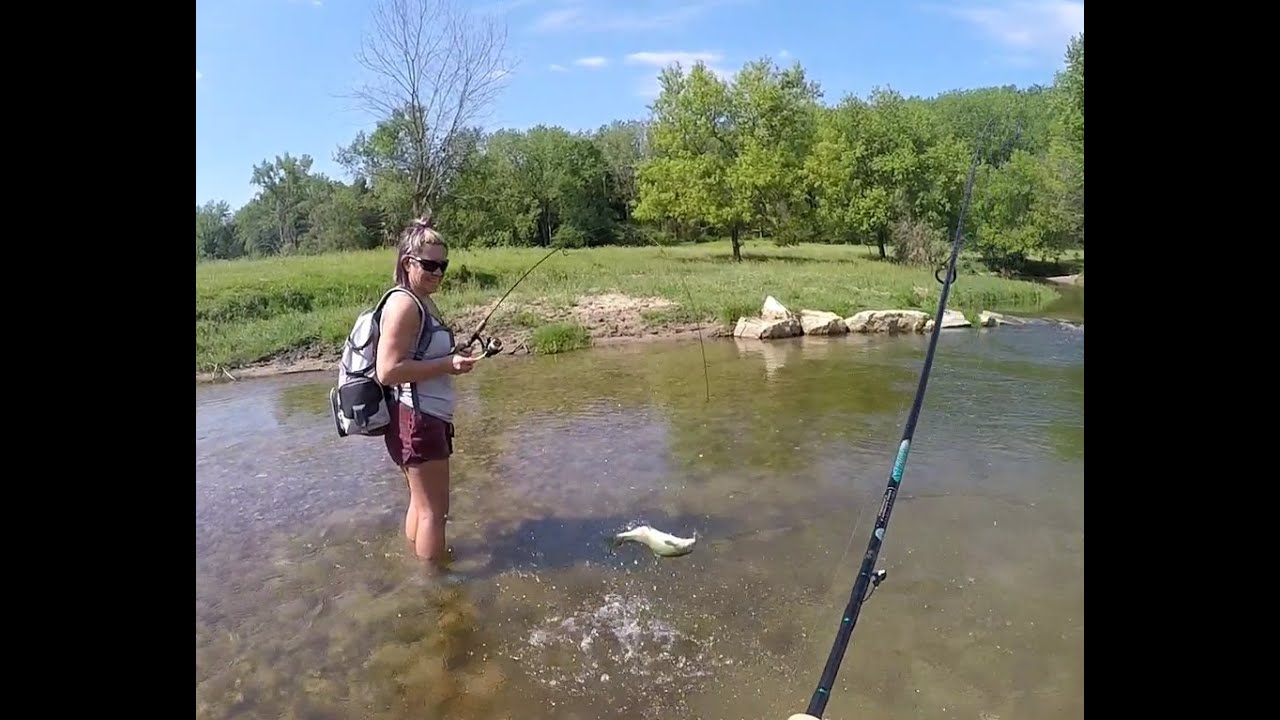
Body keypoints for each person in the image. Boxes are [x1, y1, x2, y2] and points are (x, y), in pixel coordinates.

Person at [374, 214, 481, 570]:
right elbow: (387, 371)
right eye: (430, 264)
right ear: (408, 263)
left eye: (443, 265)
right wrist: (447, 365)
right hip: (417, 421)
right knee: (436, 513)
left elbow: (419, 355)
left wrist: (453, 356)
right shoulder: (405, 304)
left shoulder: (419, 299)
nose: (438, 272)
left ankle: (418, 577)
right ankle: (437, 590)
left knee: (421, 506)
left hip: (417, 418)